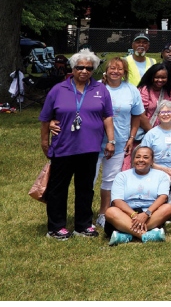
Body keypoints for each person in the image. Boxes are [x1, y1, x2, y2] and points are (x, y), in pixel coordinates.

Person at [39, 50, 115, 240]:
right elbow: (45, 118)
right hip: (64, 147)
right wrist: (45, 141)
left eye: (89, 68)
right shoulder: (58, 89)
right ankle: (56, 227)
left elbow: (107, 116)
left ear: (93, 70)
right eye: (79, 67)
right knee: (58, 188)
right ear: (72, 68)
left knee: (85, 188)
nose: (84, 71)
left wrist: (111, 141)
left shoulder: (100, 89)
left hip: (89, 147)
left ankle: (83, 225)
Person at [93, 57, 145, 228]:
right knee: (89, 180)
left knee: (110, 180)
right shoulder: (96, 88)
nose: (115, 71)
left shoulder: (131, 90)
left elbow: (137, 115)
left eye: (120, 69)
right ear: (106, 70)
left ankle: (103, 212)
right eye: (112, 68)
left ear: (125, 72)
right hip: (92, 141)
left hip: (120, 142)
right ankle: (84, 214)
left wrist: (131, 137)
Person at [102, 146, 171, 245]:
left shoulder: (161, 176)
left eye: (145, 157)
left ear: (152, 161)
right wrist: (134, 215)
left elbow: (163, 197)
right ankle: (145, 235)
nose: (141, 160)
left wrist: (147, 213)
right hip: (126, 212)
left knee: (168, 208)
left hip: (150, 213)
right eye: (138, 157)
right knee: (110, 211)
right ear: (133, 159)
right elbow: (117, 200)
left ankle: (126, 234)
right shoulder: (122, 176)